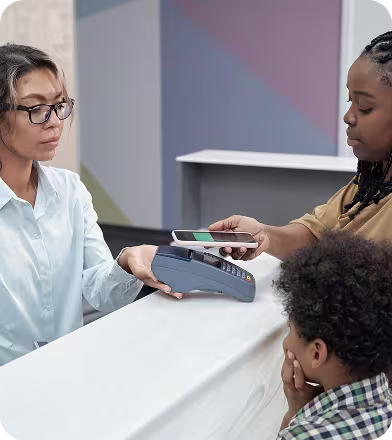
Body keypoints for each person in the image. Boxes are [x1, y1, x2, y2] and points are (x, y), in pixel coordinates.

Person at [0, 43, 177, 366]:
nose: (55, 122)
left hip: (71, 373)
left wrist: (126, 261)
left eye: (59, 105)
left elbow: (101, 291)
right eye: (36, 109)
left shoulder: (69, 191)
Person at [209, 30, 392, 262]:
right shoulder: (371, 181)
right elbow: (316, 234)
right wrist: (264, 235)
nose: (348, 116)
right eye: (350, 101)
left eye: (364, 106)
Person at [275, 231, 392, 439]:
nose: (286, 342)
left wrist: (294, 415)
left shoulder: (302, 435)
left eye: (291, 331)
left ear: (317, 353)